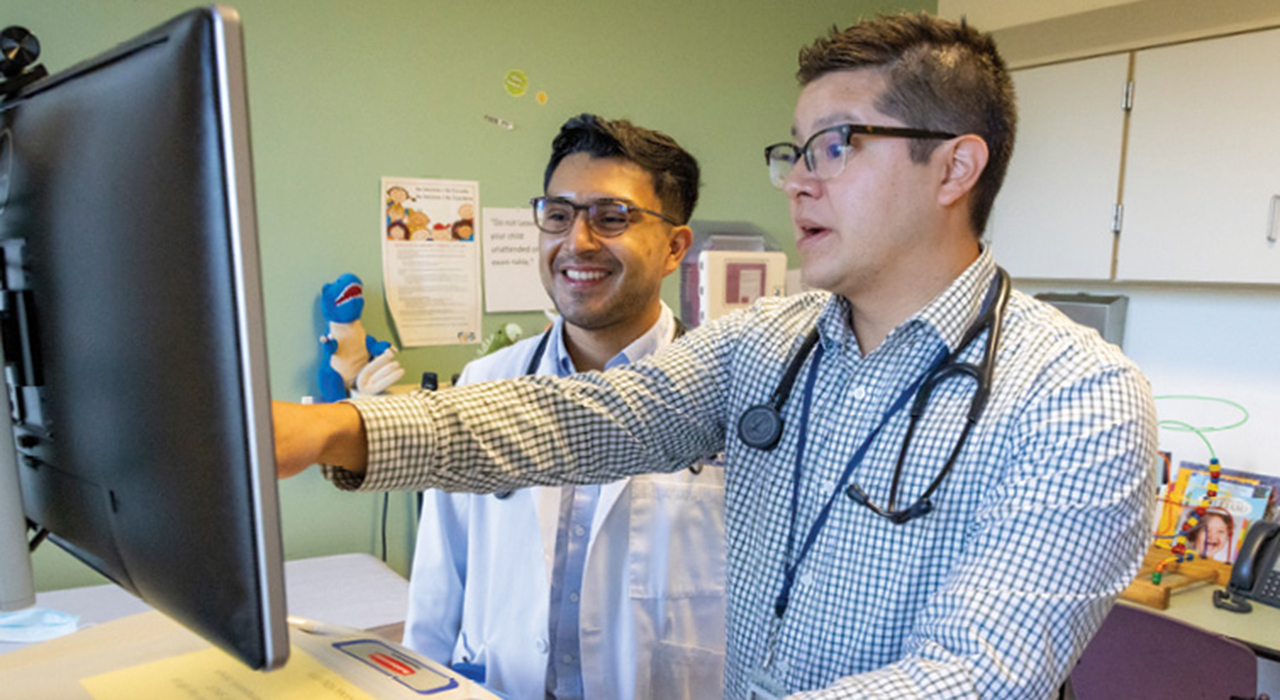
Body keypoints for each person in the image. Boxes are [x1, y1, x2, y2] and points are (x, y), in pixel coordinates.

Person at [275, 13, 1157, 698]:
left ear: (956, 168)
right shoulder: (766, 342)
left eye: (838, 146)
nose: (799, 179)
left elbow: (981, 674)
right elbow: (581, 420)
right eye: (796, 151)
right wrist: (329, 430)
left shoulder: (1075, 399)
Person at [404, 114, 727, 699]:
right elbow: (437, 585)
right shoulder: (487, 381)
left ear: (675, 247)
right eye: (558, 215)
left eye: (612, 217)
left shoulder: (728, 395)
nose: (576, 242)